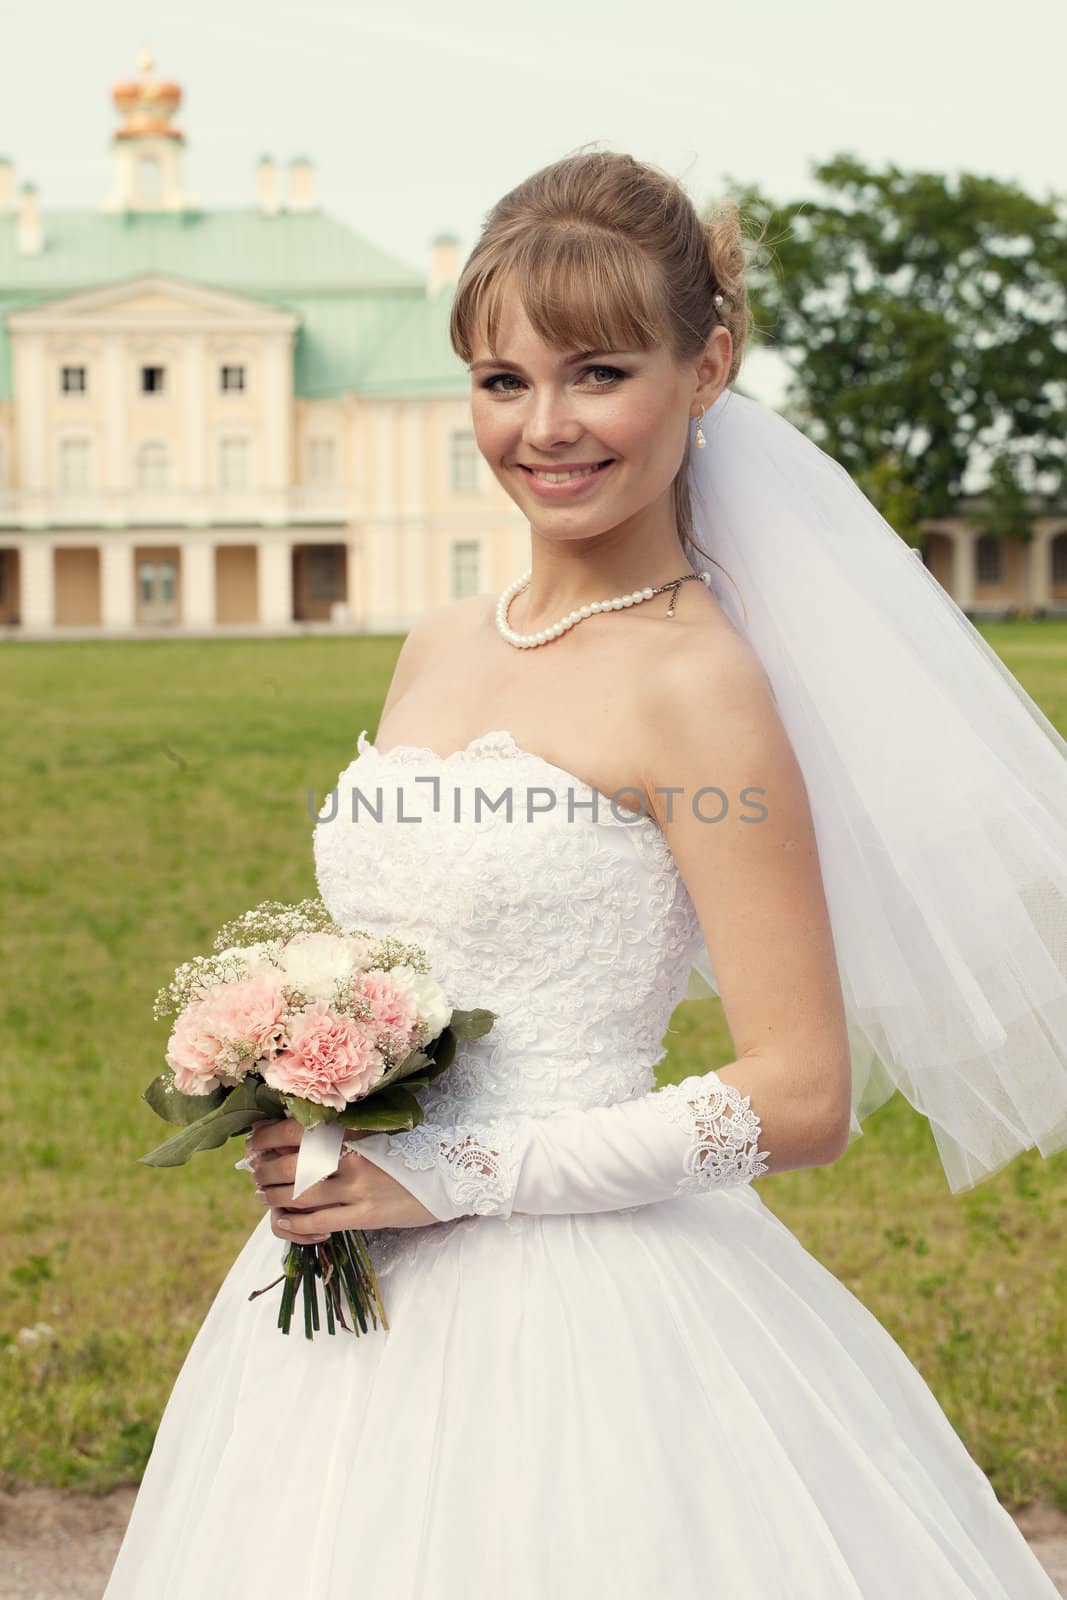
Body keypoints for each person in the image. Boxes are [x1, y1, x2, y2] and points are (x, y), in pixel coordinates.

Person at [104, 151, 1066, 1598]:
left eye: (598, 373)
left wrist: (453, 1176)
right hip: (347, 1298)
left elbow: (803, 1094)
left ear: (709, 367)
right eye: (502, 381)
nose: (543, 428)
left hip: (591, 1311)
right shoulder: (441, 640)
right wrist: (310, 1090)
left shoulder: (699, 688)